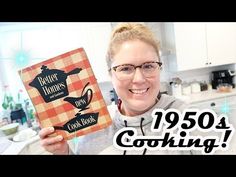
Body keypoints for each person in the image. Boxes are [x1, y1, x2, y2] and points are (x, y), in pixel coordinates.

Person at [39, 22, 191, 155]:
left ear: (159, 68)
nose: (139, 79)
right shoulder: (95, 128)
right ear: (111, 74)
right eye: (125, 69)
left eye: (149, 66)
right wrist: (63, 152)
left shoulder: (188, 120)